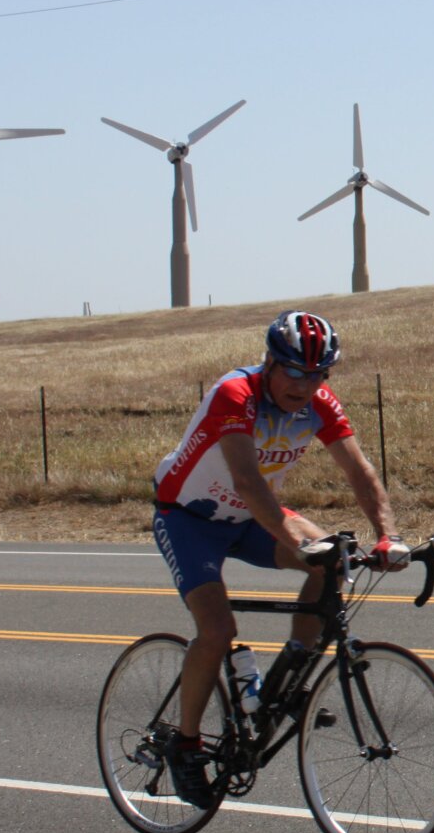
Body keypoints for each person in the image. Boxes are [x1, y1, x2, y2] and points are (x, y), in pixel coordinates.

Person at [150, 309, 405, 807]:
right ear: (269, 361)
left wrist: (387, 536)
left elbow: (360, 473)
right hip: (189, 519)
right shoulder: (236, 394)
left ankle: (291, 678)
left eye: (317, 374)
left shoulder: (320, 404)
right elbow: (246, 481)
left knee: (332, 561)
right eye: (294, 371)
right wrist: (296, 539)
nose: (305, 384)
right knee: (218, 630)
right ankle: (184, 744)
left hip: (248, 519)